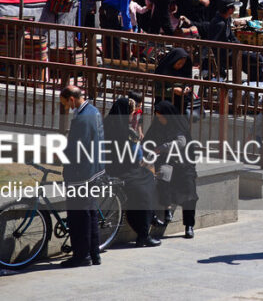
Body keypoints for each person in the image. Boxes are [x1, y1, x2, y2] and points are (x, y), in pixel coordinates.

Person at [102, 97, 159, 247]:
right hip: (121, 171)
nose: (132, 116)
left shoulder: (108, 124)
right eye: (131, 113)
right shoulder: (122, 131)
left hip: (115, 167)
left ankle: (148, 220)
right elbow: (130, 156)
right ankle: (144, 233)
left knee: (146, 179)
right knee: (145, 187)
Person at [59, 85, 104, 267]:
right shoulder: (93, 111)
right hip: (94, 170)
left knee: (78, 216)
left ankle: (82, 255)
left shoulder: (82, 119)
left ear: (72, 99)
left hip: (82, 174)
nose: (67, 109)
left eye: (66, 104)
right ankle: (94, 253)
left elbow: (78, 149)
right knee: (90, 213)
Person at [146, 100, 199, 239]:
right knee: (163, 177)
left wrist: (161, 148)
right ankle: (167, 208)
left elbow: (181, 143)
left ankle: (189, 225)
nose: (159, 119)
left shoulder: (178, 124)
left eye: (161, 116)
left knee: (190, 191)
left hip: (183, 162)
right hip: (165, 161)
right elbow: (147, 141)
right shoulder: (157, 125)